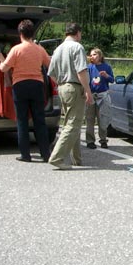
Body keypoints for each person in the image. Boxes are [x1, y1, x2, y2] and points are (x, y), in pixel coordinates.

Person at [0, 19, 51, 163]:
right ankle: (46, 154)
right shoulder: (39, 49)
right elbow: (49, 64)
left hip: (20, 86)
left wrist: (2, 59)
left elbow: (4, 68)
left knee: (22, 121)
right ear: (32, 33)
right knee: (40, 120)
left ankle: (25, 155)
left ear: (20, 33)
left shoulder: (16, 49)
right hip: (37, 85)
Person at [47, 23, 93, 169]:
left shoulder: (58, 49)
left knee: (71, 123)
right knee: (73, 124)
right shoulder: (77, 47)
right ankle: (56, 157)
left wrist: (62, 84)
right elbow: (82, 71)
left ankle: (77, 159)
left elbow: (51, 73)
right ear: (78, 33)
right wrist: (87, 90)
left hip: (62, 87)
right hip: (74, 87)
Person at [85, 48, 114, 149]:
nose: (92, 57)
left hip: (102, 95)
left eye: (94, 55)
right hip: (91, 95)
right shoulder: (89, 67)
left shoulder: (106, 67)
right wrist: (86, 93)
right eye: (91, 55)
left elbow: (112, 79)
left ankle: (103, 140)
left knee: (102, 119)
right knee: (90, 119)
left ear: (100, 56)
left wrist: (106, 75)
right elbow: (86, 81)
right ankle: (90, 141)